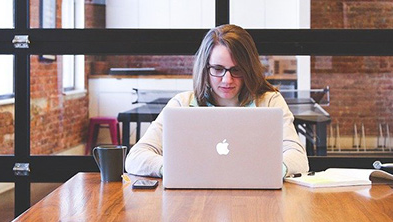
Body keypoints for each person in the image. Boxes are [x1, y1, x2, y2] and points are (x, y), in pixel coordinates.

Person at [125, 24, 309, 178]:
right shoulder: (182, 104)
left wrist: (267, 172)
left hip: (256, 200)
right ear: (205, 68)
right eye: (218, 69)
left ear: (249, 69)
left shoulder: (269, 102)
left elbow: (299, 159)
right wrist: (174, 169)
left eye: (236, 70)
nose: (227, 80)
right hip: (193, 200)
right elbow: (135, 157)